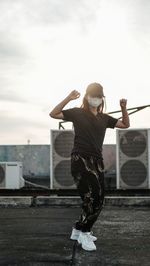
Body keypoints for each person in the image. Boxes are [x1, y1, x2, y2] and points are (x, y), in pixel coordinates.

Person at [49, 82, 130, 251]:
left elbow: (125, 125)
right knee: (94, 198)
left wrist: (123, 108)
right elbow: (54, 113)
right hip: (81, 160)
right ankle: (85, 233)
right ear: (87, 97)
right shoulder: (78, 113)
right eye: (93, 95)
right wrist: (69, 98)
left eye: (99, 96)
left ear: (102, 99)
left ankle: (78, 229)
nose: (96, 99)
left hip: (97, 161)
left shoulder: (104, 118)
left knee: (94, 198)